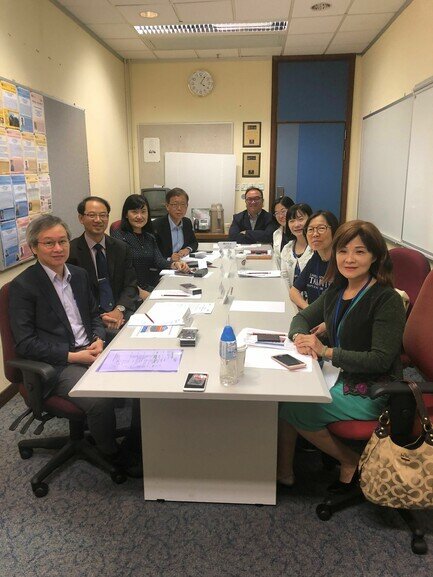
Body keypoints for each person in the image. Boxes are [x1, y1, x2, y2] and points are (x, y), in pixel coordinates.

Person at [278, 220, 406, 490]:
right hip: (338, 373)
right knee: (287, 394)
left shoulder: (386, 299)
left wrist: (325, 350)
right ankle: (284, 471)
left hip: (372, 388)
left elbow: (380, 359)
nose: (349, 259)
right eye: (343, 251)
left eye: (359, 252)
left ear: (375, 257)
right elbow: (302, 317)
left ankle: (350, 460)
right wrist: (300, 338)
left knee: (293, 406)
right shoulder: (338, 289)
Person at [9, 214, 120, 461]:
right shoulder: (23, 287)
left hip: (90, 348)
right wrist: (73, 355)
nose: (58, 248)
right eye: (49, 243)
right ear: (34, 248)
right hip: (58, 364)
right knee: (99, 399)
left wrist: (99, 339)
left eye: (63, 241)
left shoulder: (78, 275)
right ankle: (112, 454)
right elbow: (25, 343)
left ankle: (135, 440)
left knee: (138, 377)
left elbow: (94, 315)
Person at [68, 196, 138, 332]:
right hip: (90, 320)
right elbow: (73, 296)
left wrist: (119, 309)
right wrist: (101, 317)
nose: (98, 220)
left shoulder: (121, 248)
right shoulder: (71, 252)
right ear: (81, 218)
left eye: (103, 215)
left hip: (122, 313)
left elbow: (130, 285)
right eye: (92, 215)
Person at [111, 194, 190, 300]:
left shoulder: (149, 237)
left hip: (149, 288)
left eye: (143, 211)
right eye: (134, 212)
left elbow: (159, 261)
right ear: (126, 214)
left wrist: (175, 264)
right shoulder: (119, 237)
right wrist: (139, 292)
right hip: (130, 293)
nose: (139, 216)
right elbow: (120, 274)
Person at [289, 210, 339, 309]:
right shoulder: (316, 257)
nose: (315, 234)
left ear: (334, 231)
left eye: (321, 228)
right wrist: (309, 311)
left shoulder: (341, 262)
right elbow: (294, 291)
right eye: (310, 229)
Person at [152, 188, 198, 261]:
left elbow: (194, 242)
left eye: (183, 204)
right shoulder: (157, 225)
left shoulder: (187, 222)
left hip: (184, 264)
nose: (179, 208)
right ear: (167, 206)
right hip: (165, 267)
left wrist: (187, 249)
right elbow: (153, 254)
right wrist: (170, 259)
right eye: (175, 204)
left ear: (187, 206)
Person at [280, 203, 313, 287]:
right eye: (292, 221)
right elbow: (284, 279)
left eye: (300, 219)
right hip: (291, 297)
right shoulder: (287, 249)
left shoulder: (316, 248)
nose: (296, 224)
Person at [272, 195, 294, 263]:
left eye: (283, 211)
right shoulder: (276, 234)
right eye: (277, 213)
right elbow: (276, 259)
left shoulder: (299, 233)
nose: (280, 216)